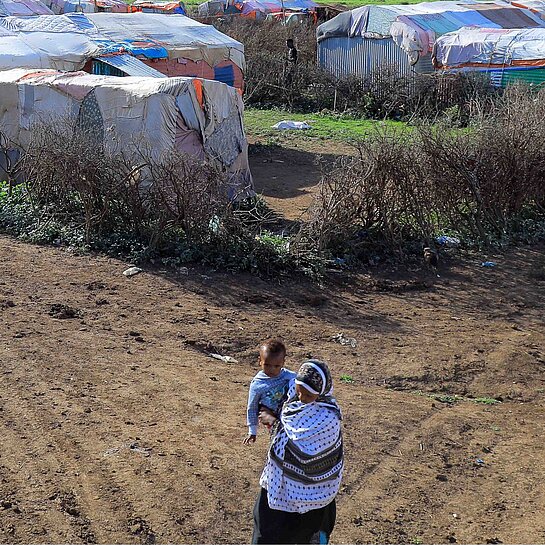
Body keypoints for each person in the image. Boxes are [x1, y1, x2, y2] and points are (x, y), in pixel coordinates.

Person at [252, 359, 343, 544]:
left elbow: (305, 448)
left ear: (321, 393)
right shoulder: (293, 397)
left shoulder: (328, 418)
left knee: (303, 534)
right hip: (278, 479)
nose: (301, 397)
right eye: (299, 390)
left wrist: (274, 422)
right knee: (265, 530)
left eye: (308, 395)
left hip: (312, 489)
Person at [243, 339, 296, 445]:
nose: (272, 369)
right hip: (272, 420)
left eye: (276, 366)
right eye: (267, 365)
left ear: (283, 363)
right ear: (260, 361)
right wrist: (252, 431)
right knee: (278, 442)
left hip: (292, 418)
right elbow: (252, 407)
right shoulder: (257, 385)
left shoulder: (291, 377)